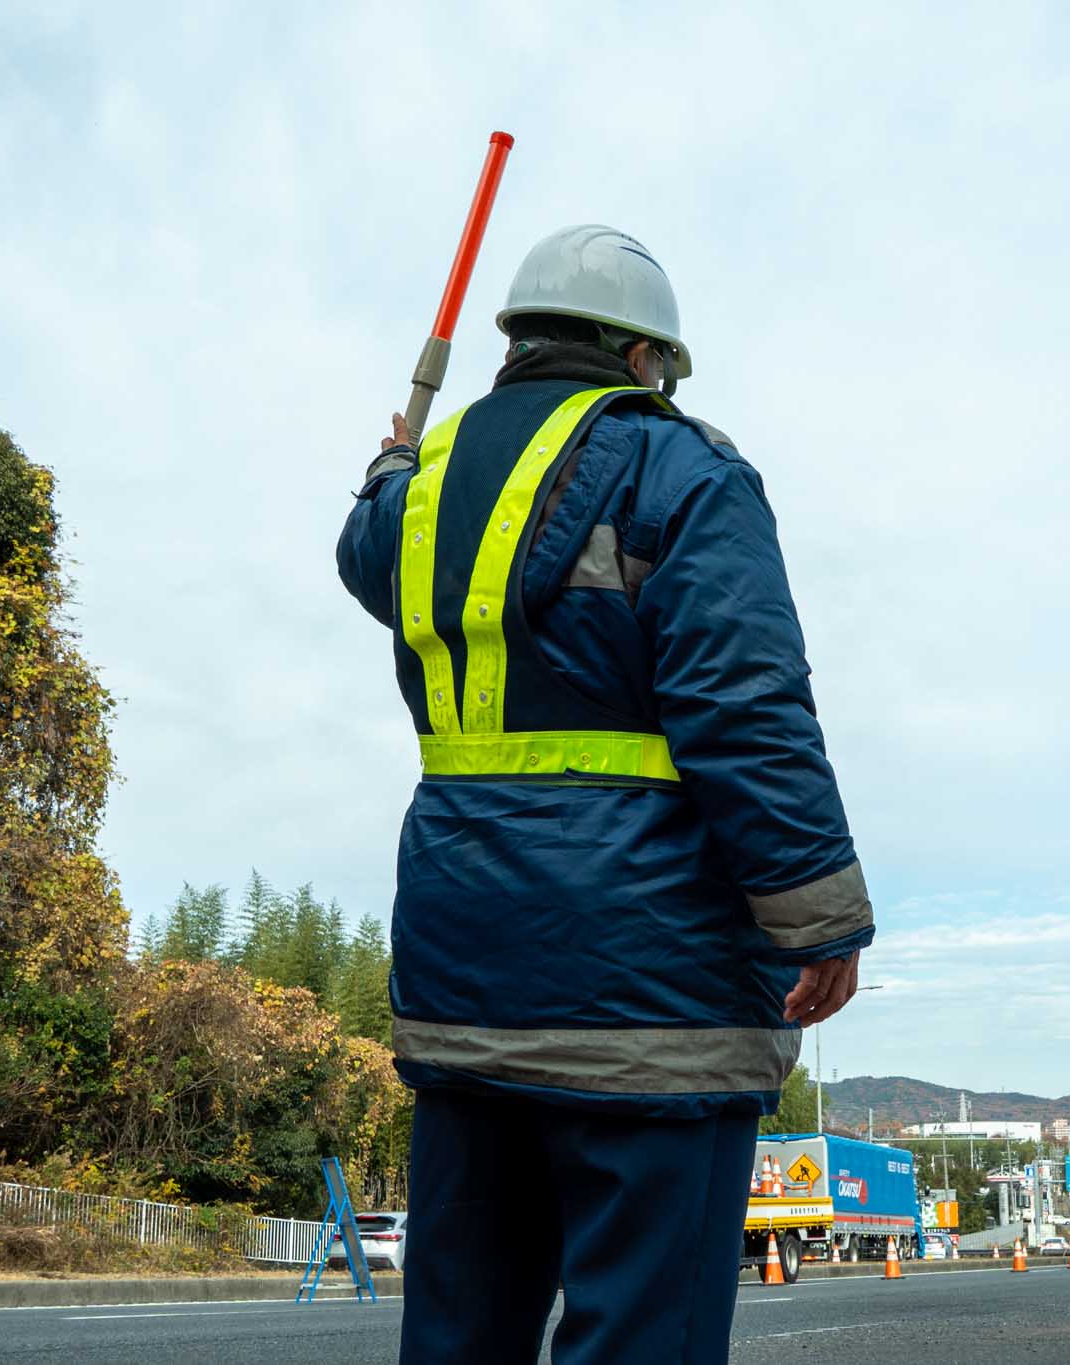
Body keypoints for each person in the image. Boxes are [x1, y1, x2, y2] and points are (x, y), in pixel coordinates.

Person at [336, 224, 872, 1363]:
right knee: (643, 1336)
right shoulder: (679, 470)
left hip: (465, 978)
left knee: (459, 1335)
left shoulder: (422, 493)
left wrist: (388, 467)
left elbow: (360, 547)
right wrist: (817, 917)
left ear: (518, 344)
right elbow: (744, 706)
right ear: (642, 356)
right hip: (650, 995)